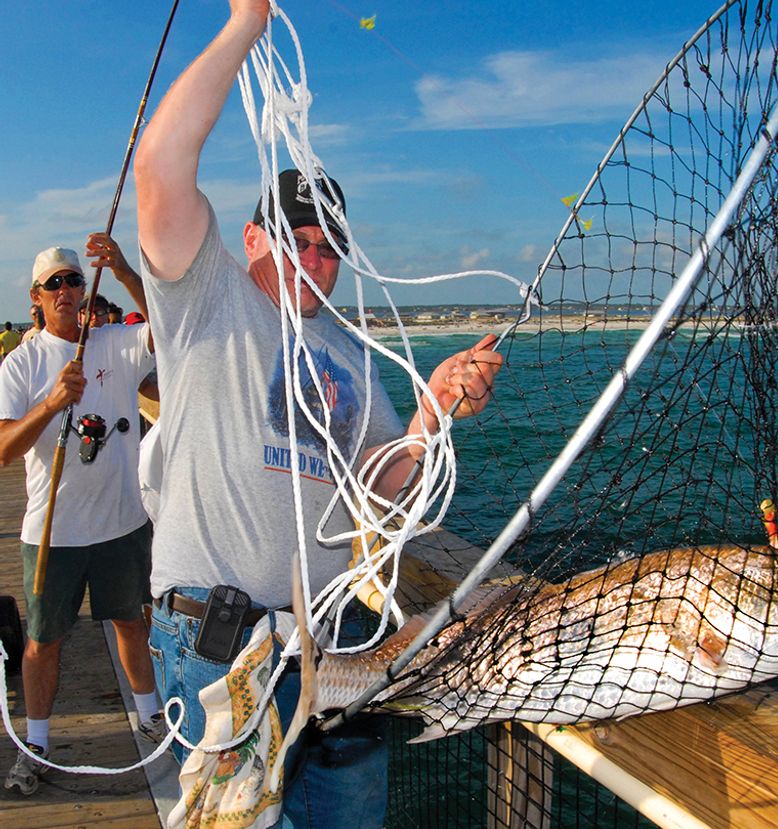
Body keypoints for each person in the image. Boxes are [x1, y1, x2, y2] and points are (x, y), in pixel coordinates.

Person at [134, 2, 502, 825]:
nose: (316, 257)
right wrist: (244, 25)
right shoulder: (208, 296)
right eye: (297, 237)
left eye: (331, 244)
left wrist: (433, 411)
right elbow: (160, 167)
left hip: (339, 655)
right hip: (219, 650)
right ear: (252, 238)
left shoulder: (351, 351)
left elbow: (381, 491)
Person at [0, 234, 164, 797]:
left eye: (74, 279)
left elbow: (167, 322)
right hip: (54, 533)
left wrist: (121, 267)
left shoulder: (117, 343)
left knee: (131, 622)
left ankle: (149, 716)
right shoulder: (21, 365)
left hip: (122, 523)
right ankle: (37, 744)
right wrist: (50, 404)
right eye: (55, 284)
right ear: (36, 298)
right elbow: (3, 449)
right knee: (43, 642)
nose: (67, 290)